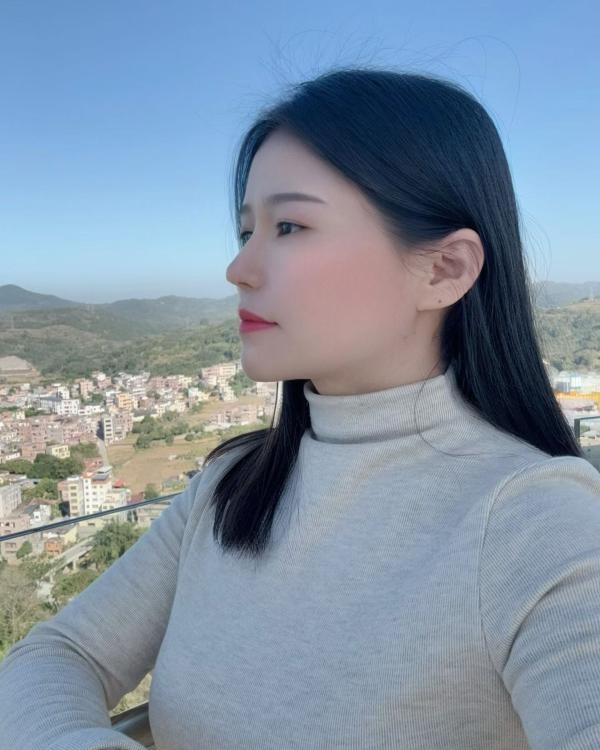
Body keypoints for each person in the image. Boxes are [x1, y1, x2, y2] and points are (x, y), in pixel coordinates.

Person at [1, 66, 599, 750]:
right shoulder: (230, 487)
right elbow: (55, 655)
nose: (239, 269)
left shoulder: (536, 519)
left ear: (445, 270)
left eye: (289, 225)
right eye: (246, 232)